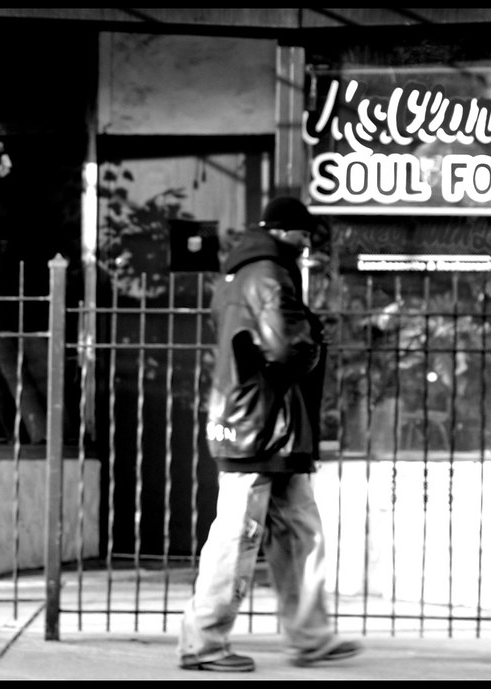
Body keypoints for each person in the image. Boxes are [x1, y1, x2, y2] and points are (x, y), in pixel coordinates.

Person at [177, 196, 362, 672]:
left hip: (265, 424)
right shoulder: (267, 273)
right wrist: (316, 344)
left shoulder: (242, 273)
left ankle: (311, 637)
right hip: (259, 426)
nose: (307, 246)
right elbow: (286, 346)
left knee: (300, 533)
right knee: (238, 536)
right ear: (289, 232)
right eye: (304, 237)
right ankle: (204, 643)